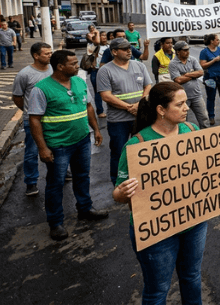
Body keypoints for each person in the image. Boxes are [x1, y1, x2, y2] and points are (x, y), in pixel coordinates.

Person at [114, 82, 220, 302]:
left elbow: (205, 166)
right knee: (158, 289)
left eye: (186, 103)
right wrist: (123, 192)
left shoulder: (191, 130)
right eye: (180, 104)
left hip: (194, 222)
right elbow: (117, 194)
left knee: (191, 276)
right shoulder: (137, 145)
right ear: (161, 110)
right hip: (157, 232)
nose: (187, 108)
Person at [28, 50, 107, 240]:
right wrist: (42, 148)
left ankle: (85, 209)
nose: (77, 65)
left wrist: (95, 129)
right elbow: (35, 120)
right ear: (60, 66)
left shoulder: (79, 82)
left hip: (81, 140)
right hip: (58, 145)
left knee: (82, 177)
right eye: (72, 63)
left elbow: (88, 106)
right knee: (55, 184)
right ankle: (55, 223)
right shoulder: (42, 89)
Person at [98, 38, 153, 186]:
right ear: (114, 52)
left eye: (130, 47)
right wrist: (130, 107)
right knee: (119, 151)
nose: (129, 51)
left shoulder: (139, 66)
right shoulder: (105, 71)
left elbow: (147, 86)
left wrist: (139, 106)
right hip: (118, 120)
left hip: (140, 117)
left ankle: (143, 178)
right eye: (124, 49)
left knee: (143, 149)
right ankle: (118, 183)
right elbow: (106, 95)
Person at [12, 42, 53, 196]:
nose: (50, 55)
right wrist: (31, 112)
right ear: (36, 56)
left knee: (58, 147)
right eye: (46, 53)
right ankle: (31, 182)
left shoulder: (54, 69)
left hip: (54, 119)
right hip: (34, 121)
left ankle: (60, 172)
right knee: (32, 151)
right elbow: (17, 97)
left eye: (51, 53)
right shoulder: (24, 74)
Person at [169, 41, 208, 128]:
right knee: (183, 121)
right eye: (185, 50)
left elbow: (201, 72)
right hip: (182, 98)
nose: (188, 52)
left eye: (188, 49)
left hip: (196, 95)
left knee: (204, 118)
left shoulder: (192, 59)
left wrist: (186, 74)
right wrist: (193, 74)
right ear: (178, 52)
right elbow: (178, 80)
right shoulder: (173, 63)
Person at [200, 34, 220, 126]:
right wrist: (214, 60)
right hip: (210, 77)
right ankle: (211, 117)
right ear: (211, 41)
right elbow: (202, 65)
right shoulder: (204, 52)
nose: (219, 41)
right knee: (211, 97)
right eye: (217, 40)